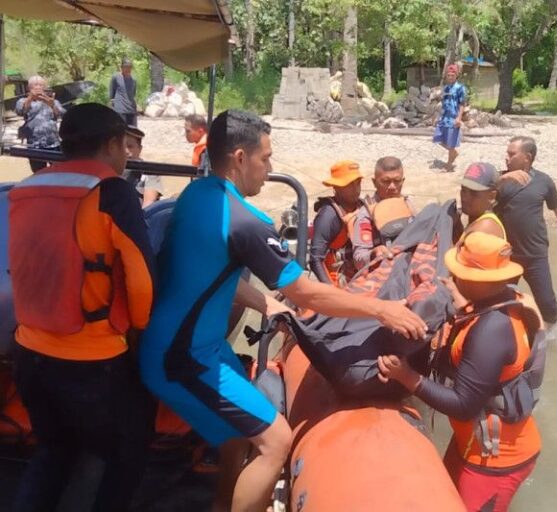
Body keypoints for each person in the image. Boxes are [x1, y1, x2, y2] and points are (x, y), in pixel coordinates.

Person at [138, 110, 427, 512]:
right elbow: (307, 293)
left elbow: (206, 273)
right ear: (240, 158)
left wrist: (265, 301)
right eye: (265, 159)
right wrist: (381, 310)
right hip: (182, 356)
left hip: (195, 345)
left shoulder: (195, 195)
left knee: (239, 431)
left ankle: (223, 503)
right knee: (277, 442)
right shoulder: (246, 221)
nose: (268, 169)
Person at [8, 103, 155, 512]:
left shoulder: (26, 187)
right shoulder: (113, 192)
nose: (128, 155)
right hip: (93, 361)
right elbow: (142, 276)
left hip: (29, 353)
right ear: (111, 144)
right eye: (125, 146)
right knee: (127, 453)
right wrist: (139, 331)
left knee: (53, 452)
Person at [377, 232, 543, 512]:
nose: (454, 279)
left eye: (459, 275)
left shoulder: (491, 330)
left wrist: (406, 376)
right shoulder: (502, 300)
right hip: (473, 444)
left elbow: (463, 405)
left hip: (497, 461)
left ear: (479, 281)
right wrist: (460, 300)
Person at [494, 136, 557, 327]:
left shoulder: (543, 181)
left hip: (534, 254)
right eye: (507, 153)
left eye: (512, 154)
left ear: (527, 157)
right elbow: (473, 193)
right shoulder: (498, 179)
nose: (506, 157)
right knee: (496, 304)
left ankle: (551, 337)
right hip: (505, 256)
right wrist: (501, 179)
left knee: (547, 305)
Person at [350, 156, 416, 270]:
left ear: (403, 181)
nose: (392, 187)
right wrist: (373, 254)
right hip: (380, 274)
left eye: (397, 181)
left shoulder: (408, 205)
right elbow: (358, 259)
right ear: (374, 182)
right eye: (386, 181)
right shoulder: (367, 214)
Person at [309, 160, 364, 286]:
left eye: (358, 183)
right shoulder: (328, 216)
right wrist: (331, 292)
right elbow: (315, 259)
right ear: (336, 187)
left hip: (363, 273)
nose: (356, 189)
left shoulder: (363, 207)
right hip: (339, 279)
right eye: (350, 184)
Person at [15, 75, 65, 172]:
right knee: (38, 173)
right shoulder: (22, 101)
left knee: (59, 172)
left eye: (41, 85)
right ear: (29, 88)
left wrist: (52, 105)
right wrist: (30, 98)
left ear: (45, 87)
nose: (38, 87)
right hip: (34, 145)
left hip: (53, 144)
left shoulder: (53, 101)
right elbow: (20, 111)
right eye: (35, 85)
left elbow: (63, 114)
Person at [456, 162, 506, 242]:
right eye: (464, 190)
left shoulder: (484, 229)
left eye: (473, 193)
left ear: (491, 196)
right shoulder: (476, 217)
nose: (465, 198)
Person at [433, 64, 467, 172]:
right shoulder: (446, 88)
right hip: (444, 117)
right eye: (448, 75)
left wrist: (459, 118)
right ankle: (454, 153)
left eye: (452, 75)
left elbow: (462, 104)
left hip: (453, 118)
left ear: (456, 76)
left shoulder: (460, 88)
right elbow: (443, 104)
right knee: (438, 138)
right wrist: (437, 116)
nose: (450, 77)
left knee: (451, 142)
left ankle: (448, 165)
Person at [123, 125, 163, 208]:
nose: (126, 151)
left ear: (140, 149)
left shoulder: (149, 172)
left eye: (130, 146)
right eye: (122, 146)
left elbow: (148, 205)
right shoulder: (110, 170)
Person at [110, 58, 138, 126]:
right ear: (122, 67)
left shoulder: (133, 80)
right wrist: (113, 101)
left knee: (133, 130)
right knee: (121, 130)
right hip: (120, 109)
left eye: (130, 67)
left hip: (131, 109)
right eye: (126, 67)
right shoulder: (116, 77)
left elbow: (133, 94)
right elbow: (112, 91)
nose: (128, 69)